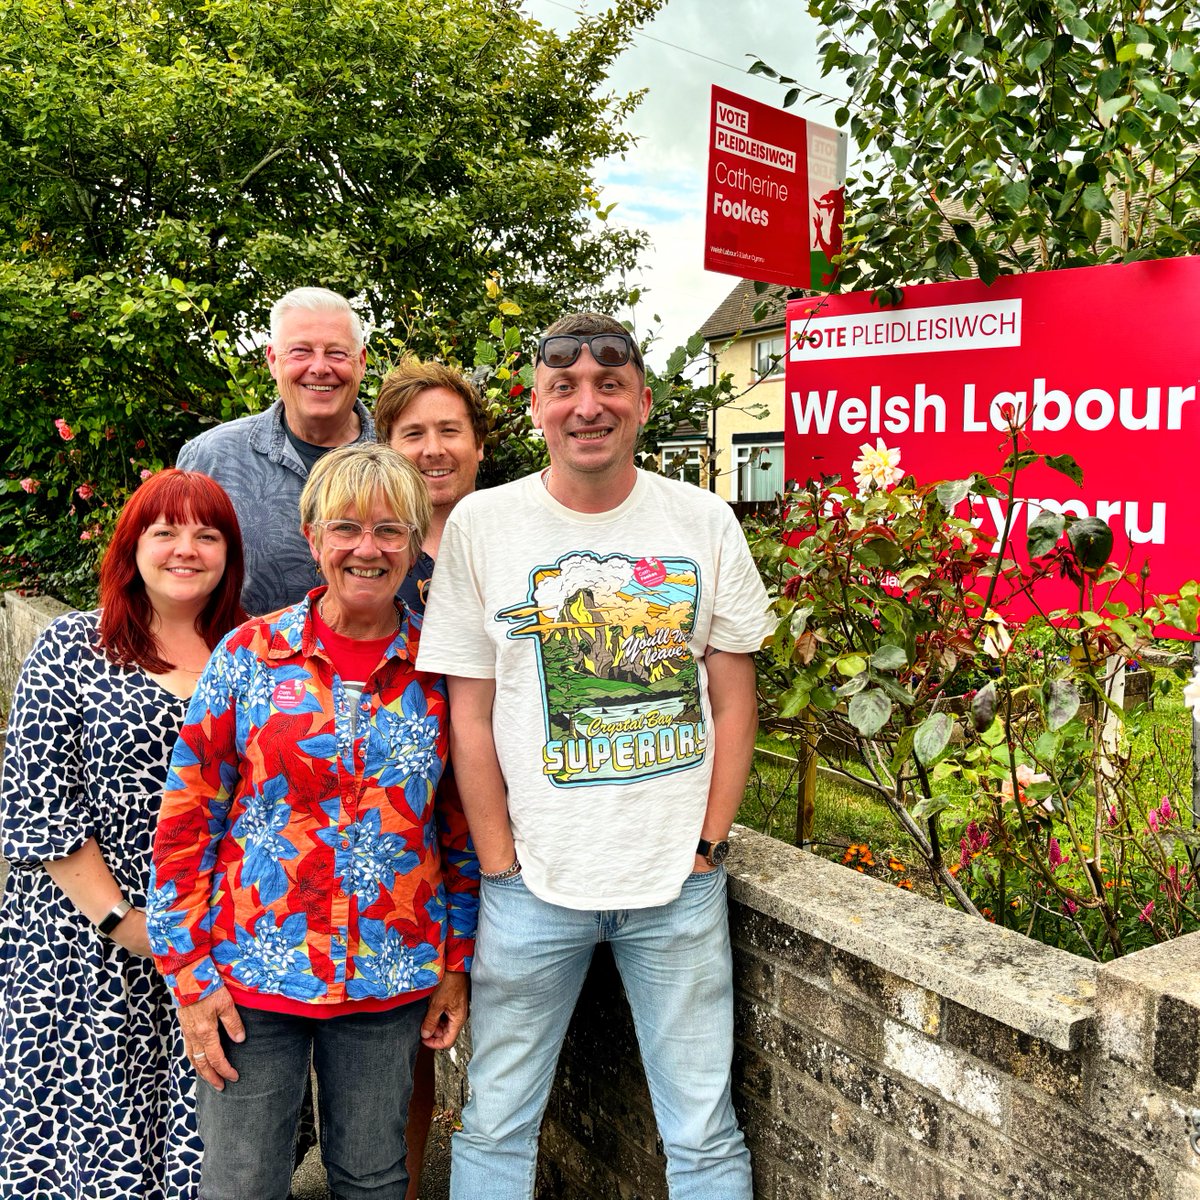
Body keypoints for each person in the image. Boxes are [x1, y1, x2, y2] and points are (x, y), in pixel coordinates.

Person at [417, 312, 775, 1199]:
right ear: (536, 406)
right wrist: (500, 859)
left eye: (609, 386)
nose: (589, 405)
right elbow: (471, 713)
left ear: (643, 403)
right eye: (564, 388)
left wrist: (709, 847)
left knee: (702, 1130)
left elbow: (734, 702)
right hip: (530, 888)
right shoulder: (483, 526)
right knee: (497, 1122)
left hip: (677, 888)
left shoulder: (703, 519)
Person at [148, 443, 478, 1200]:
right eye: (346, 529)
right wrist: (191, 978)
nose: (368, 549)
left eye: (392, 531)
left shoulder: (440, 666)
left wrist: (456, 962)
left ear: (415, 540)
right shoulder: (250, 655)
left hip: (388, 976)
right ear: (311, 538)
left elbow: (458, 828)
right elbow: (187, 822)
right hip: (250, 978)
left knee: (373, 1178)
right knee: (241, 1183)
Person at [0, 469, 247, 1200]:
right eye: (164, 531)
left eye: (206, 534)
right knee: (95, 1144)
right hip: (86, 941)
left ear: (230, 553)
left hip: (213, 942)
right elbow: (40, 797)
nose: (185, 548)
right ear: (132, 546)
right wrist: (123, 922)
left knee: (212, 1148)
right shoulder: (74, 647)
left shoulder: (254, 651)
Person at [373, 357, 487, 1197]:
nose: (434, 449)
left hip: (505, 822)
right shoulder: (373, 553)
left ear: (480, 445)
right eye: (413, 433)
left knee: (507, 1036)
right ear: (386, 447)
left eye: (450, 430)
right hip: (406, 829)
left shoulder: (514, 539)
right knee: (405, 1044)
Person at [176, 286, 374, 615]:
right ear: (272, 360)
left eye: (337, 353)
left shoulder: (400, 458)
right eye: (301, 352)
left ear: (361, 362)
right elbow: (172, 575)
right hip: (241, 662)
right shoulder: (211, 459)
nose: (320, 367)